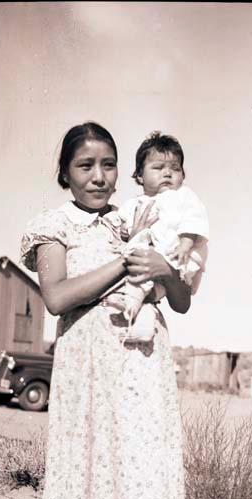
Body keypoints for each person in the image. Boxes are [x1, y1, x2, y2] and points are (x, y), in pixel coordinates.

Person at [20, 122, 190, 499]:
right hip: (88, 376)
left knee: (137, 478)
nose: (99, 176)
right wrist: (125, 263)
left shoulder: (136, 219)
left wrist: (162, 264)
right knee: (89, 476)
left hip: (142, 371)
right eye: (85, 166)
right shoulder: (55, 227)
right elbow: (56, 297)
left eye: (109, 164)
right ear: (64, 174)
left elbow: (180, 301)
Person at [103, 131, 209, 343]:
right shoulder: (134, 204)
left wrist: (186, 243)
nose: (167, 174)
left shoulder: (183, 197)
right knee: (147, 294)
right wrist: (127, 232)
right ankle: (142, 324)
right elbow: (120, 223)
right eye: (158, 168)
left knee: (143, 287)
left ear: (183, 175)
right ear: (140, 176)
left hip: (178, 257)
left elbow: (194, 219)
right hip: (150, 266)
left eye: (175, 169)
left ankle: (131, 303)